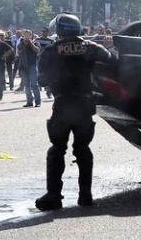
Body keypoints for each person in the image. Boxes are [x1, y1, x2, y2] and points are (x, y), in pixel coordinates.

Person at [35, 13, 112, 211]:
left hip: (63, 105)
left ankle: (54, 195)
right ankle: (85, 195)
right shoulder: (90, 47)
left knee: (57, 150)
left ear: (60, 30)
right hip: (85, 105)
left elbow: (42, 80)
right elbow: (109, 58)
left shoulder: (51, 50)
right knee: (83, 150)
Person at [16, 30, 41, 107]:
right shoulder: (21, 44)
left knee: (34, 84)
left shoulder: (35, 43)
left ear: (31, 36)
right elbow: (18, 52)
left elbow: (37, 50)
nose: (26, 37)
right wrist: (24, 45)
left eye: (28, 35)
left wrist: (30, 43)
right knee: (26, 85)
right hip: (24, 66)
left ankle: (38, 101)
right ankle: (29, 101)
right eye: (25, 35)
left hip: (32, 66)